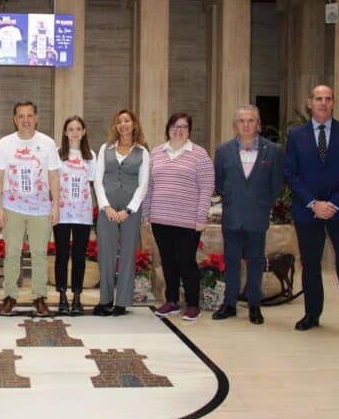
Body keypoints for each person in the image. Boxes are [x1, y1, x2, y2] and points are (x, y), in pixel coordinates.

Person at [283, 84, 339, 345]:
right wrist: (313, 203)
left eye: (328, 98)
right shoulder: (296, 135)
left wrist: (333, 203)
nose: (323, 103)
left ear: (333, 103)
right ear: (309, 103)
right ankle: (312, 314)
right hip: (307, 211)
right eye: (319, 98)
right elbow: (291, 173)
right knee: (310, 264)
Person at [212, 105, 284, 325]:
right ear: (236, 124)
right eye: (242, 120)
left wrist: (263, 205)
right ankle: (229, 304)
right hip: (232, 216)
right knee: (231, 262)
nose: (246, 125)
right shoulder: (223, 150)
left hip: (257, 216)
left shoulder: (272, 150)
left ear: (258, 124)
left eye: (251, 120)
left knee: (255, 262)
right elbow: (220, 182)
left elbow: (276, 184)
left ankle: (254, 305)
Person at [143, 112, 214, 322]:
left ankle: (193, 304)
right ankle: (172, 300)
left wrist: (201, 216)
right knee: (167, 261)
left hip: (188, 221)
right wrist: (146, 213)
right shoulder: (157, 153)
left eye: (183, 126)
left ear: (189, 130)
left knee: (186, 262)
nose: (178, 130)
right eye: (174, 126)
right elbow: (149, 186)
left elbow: (207, 187)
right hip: (160, 219)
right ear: (168, 129)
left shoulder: (199, 154)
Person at [0, 101, 61, 317]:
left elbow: (53, 176)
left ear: (36, 118)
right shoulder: (5, 144)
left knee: (39, 254)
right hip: (12, 207)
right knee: (12, 253)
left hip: (40, 209)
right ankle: (10, 296)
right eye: (21, 116)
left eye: (29, 115)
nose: (25, 120)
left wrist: (56, 207)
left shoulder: (48, 143)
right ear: (15, 120)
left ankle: (39, 297)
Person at [93, 110, 150, 316]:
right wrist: (106, 206)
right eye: (119, 121)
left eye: (127, 121)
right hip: (107, 207)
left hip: (130, 209)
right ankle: (105, 300)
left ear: (134, 124)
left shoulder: (142, 152)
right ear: (115, 126)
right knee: (105, 253)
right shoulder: (105, 148)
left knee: (127, 253)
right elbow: (97, 179)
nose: (123, 124)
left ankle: (122, 302)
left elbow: (143, 185)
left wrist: (128, 210)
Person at [54, 116, 96, 316]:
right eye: (71, 129)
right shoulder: (57, 155)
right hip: (62, 213)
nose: (75, 132)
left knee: (79, 257)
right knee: (61, 256)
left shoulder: (91, 156)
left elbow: (92, 183)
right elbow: (52, 182)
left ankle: (77, 297)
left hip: (83, 213)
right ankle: (62, 296)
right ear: (65, 132)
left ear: (84, 131)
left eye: (78, 128)